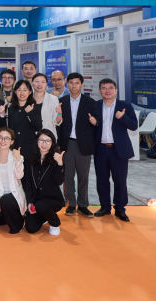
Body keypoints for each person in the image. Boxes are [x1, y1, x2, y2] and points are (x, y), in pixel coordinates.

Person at [94, 78, 138, 222]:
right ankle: (105, 207)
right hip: (101, 149)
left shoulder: (124, 106)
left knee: (120, 180)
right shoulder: (95, 105)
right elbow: (91, 128)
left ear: (116, 90)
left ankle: (120, 209)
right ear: (100, 90)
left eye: (110, 88)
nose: (107, 91)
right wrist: (93, 123)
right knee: (101, 180)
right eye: (104, 88)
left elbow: (134, 126)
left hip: (118, 150)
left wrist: (123, 117)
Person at [57, 72, 99, 218]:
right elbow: (58, 125)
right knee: (68, 176)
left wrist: (95, 122)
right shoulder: (61, 101)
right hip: (67, 144)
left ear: (81, 84)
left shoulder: (90, 102)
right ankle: (71, 204)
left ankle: (83, 205)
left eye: (77, 83)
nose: (74, 86)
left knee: (83, 176)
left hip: (84, 145)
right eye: (71, 83)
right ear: (67, 84)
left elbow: (97, 122)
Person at [23, 129, 66, 235]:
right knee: (31, 228)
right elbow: (27, 183)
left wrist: (60, 164)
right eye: (41, 140)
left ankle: (55, 223)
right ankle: (44, 215)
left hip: (52, 200)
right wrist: (30, 202)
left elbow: (59, 181)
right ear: (37, 141)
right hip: (36, 200)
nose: (44, 144)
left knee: (41, 206)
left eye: (48, 141)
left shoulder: (56, 159)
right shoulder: (30, 159)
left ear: (52, 143)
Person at [0, 127, 26, 234]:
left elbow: (19, 176)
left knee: (6, 200)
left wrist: (18, 160)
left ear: (12, 142)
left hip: (13, 196)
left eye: (6, 138)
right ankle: (8, 218)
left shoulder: (17, 156)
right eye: (0, 137)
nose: (3, 141)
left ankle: (18, 224)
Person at [5, 80, 42, 162]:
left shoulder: (34, 107)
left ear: (30, 92)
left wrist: (30, 113)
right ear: (15, 92)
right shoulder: (11, 108)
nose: (22, 93)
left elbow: (38, 127)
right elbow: (9, 127)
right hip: (14, 146)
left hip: (29, 146)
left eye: (25, 90)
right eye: (19, 90)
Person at [31, 73, 63, 137]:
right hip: (30, 135)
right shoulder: (27, 98)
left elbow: (57, 122)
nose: (39, 84)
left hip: (47, 136)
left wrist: (59, 114)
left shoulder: (53, 99)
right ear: (32, 83)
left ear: (46, 84)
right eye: (37, 81)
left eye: (43, 82)